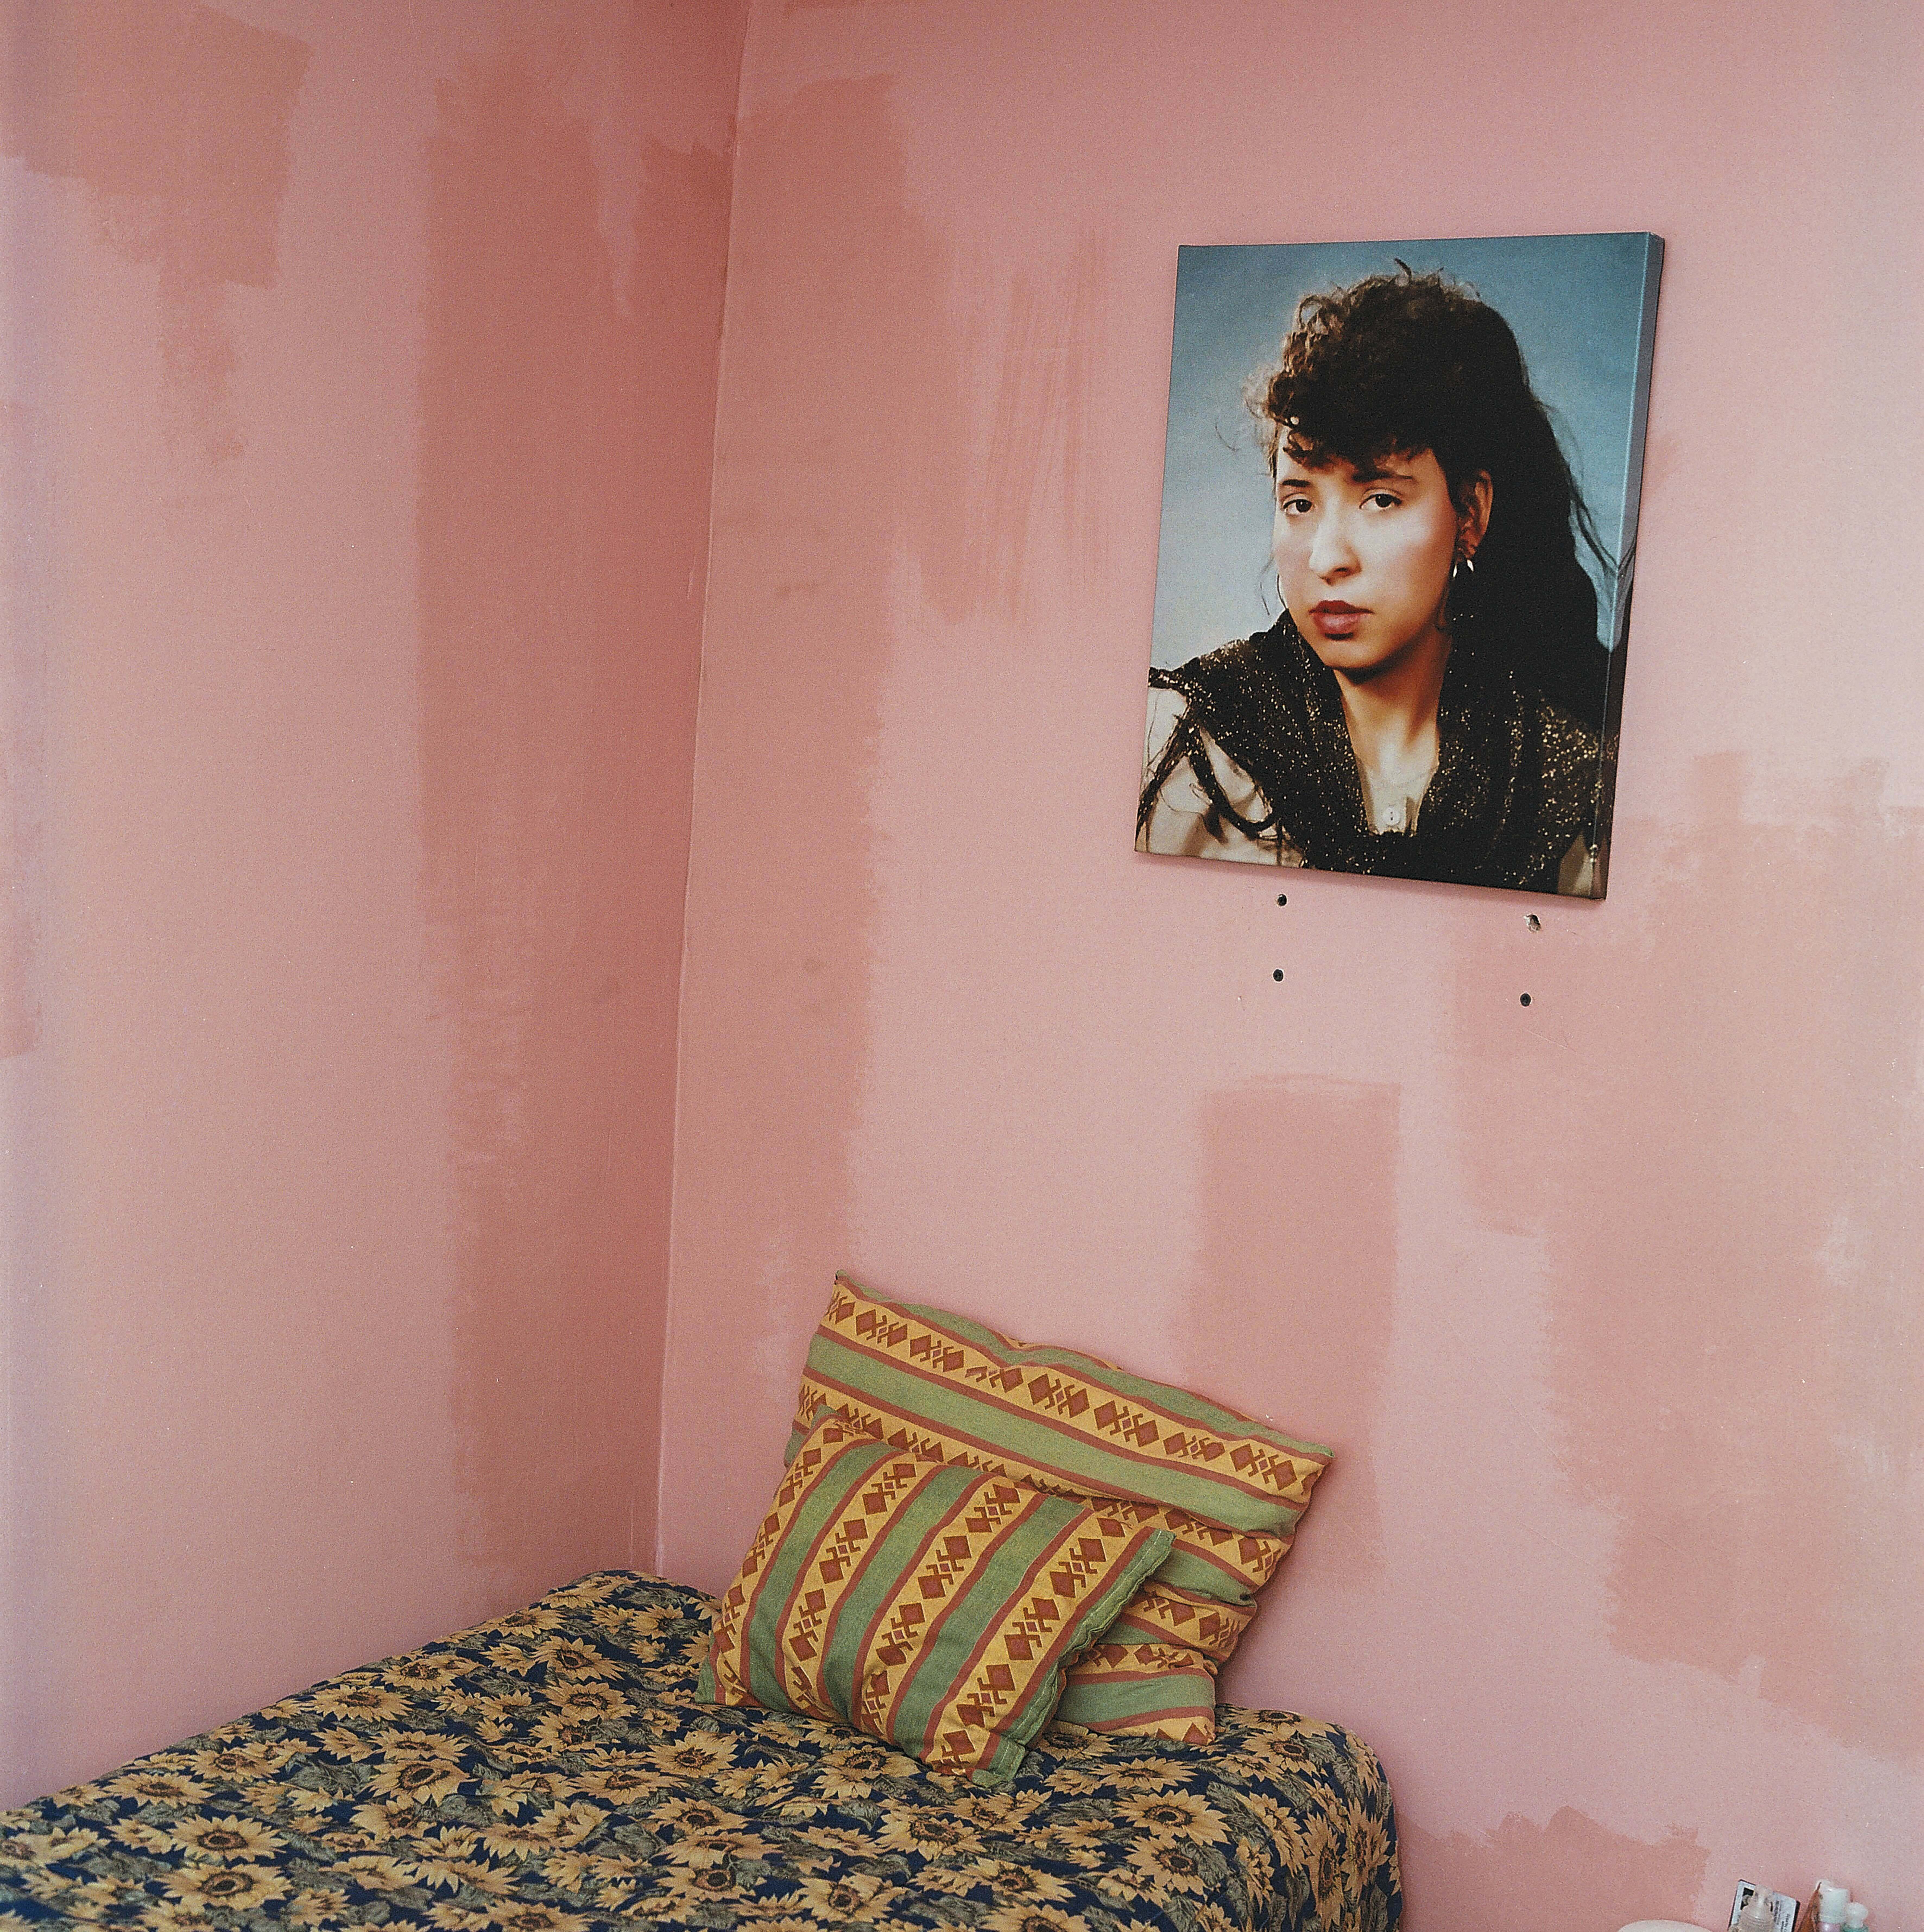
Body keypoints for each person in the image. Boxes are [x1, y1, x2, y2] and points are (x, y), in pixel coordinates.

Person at [1137, 268, 1618, 895]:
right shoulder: (1184, 743)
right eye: (1300, 503)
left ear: (1468, 513)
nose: (1327, 558)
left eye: (1381, 499)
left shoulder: (1568, 788)